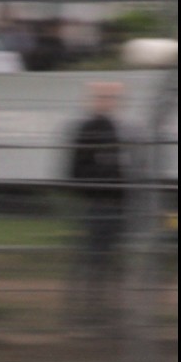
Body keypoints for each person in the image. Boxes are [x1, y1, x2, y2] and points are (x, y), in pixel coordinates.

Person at [64, 81, 127, 330]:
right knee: (94, 260)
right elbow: (75, 171)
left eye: (113, 97)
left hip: (116, 205)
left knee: (109, 261)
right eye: (104, 96)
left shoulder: (116, 128)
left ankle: (106, 312)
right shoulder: (87, 130)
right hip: (96, 204)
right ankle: (90, 312)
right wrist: (103, 184)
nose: (109, 102)